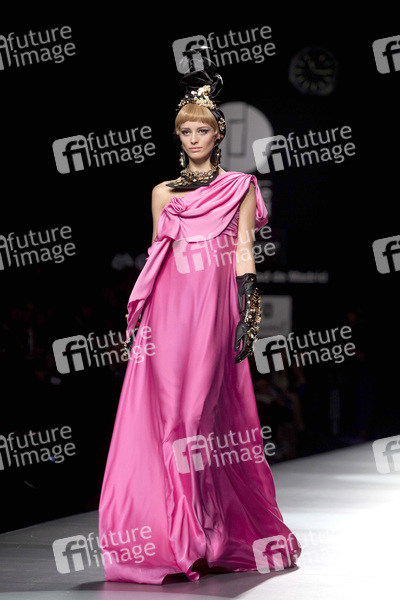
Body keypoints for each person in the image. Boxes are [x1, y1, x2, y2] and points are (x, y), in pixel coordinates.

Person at [98, 60, 302, 584]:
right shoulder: (163, 193)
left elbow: (244, 250)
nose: (193, 139)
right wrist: (140, 321)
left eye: (202, 131)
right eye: (186, 131)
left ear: (218, 135)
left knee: (198, 418)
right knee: (171, 419)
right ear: (179, 137)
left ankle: (207, 532)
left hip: (213, 311)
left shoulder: (239, 187)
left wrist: (249, 309)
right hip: (167, 314)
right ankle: (181, 539)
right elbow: (156, 259)